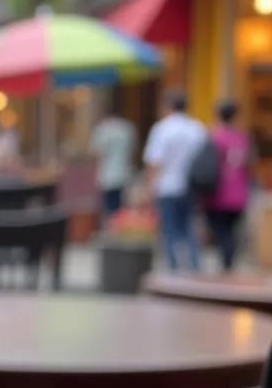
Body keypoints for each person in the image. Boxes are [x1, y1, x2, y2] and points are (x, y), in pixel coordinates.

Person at [143, 90, 206, 272]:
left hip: (166, 186)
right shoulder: (197, 129)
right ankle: (195, 265)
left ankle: (172, 265)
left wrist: (148, 186)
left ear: (168, 106)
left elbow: (154, 161)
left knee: (169, 227)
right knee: (188, 226)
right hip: (190, 186)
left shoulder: (162, 129)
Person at [204, 99, 252, 271]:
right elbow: (249, 164)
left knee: (221, 231)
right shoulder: (242, 137)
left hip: (219, 194)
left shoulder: (216, 136)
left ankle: (227, 261)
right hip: (239, 193)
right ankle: (228, 259)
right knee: (230, 231)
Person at [89, 98, 137, 218]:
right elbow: (132, 151)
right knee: (121, 207)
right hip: (124, 173)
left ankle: (111, 228)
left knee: (109, 208)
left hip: (106, 175)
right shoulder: (127, 128)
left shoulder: (102, 130)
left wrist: (94, 174)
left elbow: (97, 155)